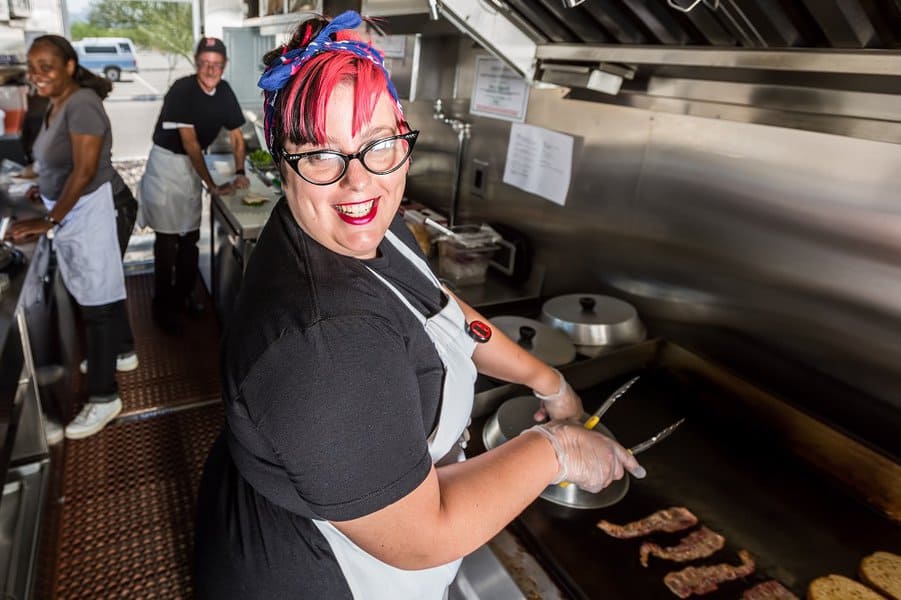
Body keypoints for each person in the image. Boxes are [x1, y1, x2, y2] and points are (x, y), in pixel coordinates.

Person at [193, 11, 645, 599]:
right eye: (322, 155)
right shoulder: (323, 347)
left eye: (377, 144)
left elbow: (444, 307)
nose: (358, 184)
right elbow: (422, 536)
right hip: (307, 575)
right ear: (283, 162)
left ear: (402, 137)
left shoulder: (368, 224)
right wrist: (555, 448)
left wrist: (547, 380)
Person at [6, 35, 138, 440]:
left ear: (68, 65)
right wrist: (42, 185)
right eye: (32, 67)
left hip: (99, 208)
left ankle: (104, 397)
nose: (37, 75)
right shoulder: (57, 103)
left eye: (46, 66)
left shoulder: (81, 103)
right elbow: (58, 163)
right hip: (82, 209)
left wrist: (49, 218)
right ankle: (121, 352)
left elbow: (83, 171)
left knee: (98, 301)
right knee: (104, 287)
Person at [138, 36, 249, 335]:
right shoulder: (182, 90)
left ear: (224, 66)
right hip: (167, 167)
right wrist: (212, 185)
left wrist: (240, 171)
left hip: (190, 169)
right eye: (204, 63)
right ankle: (162, 307)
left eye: (216, 64)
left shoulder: (224, 91)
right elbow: (190, 143)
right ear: (196, 63)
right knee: (168, 241)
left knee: (190, 238)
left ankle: (185, 295)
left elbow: (238, 136)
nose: (210, 70)